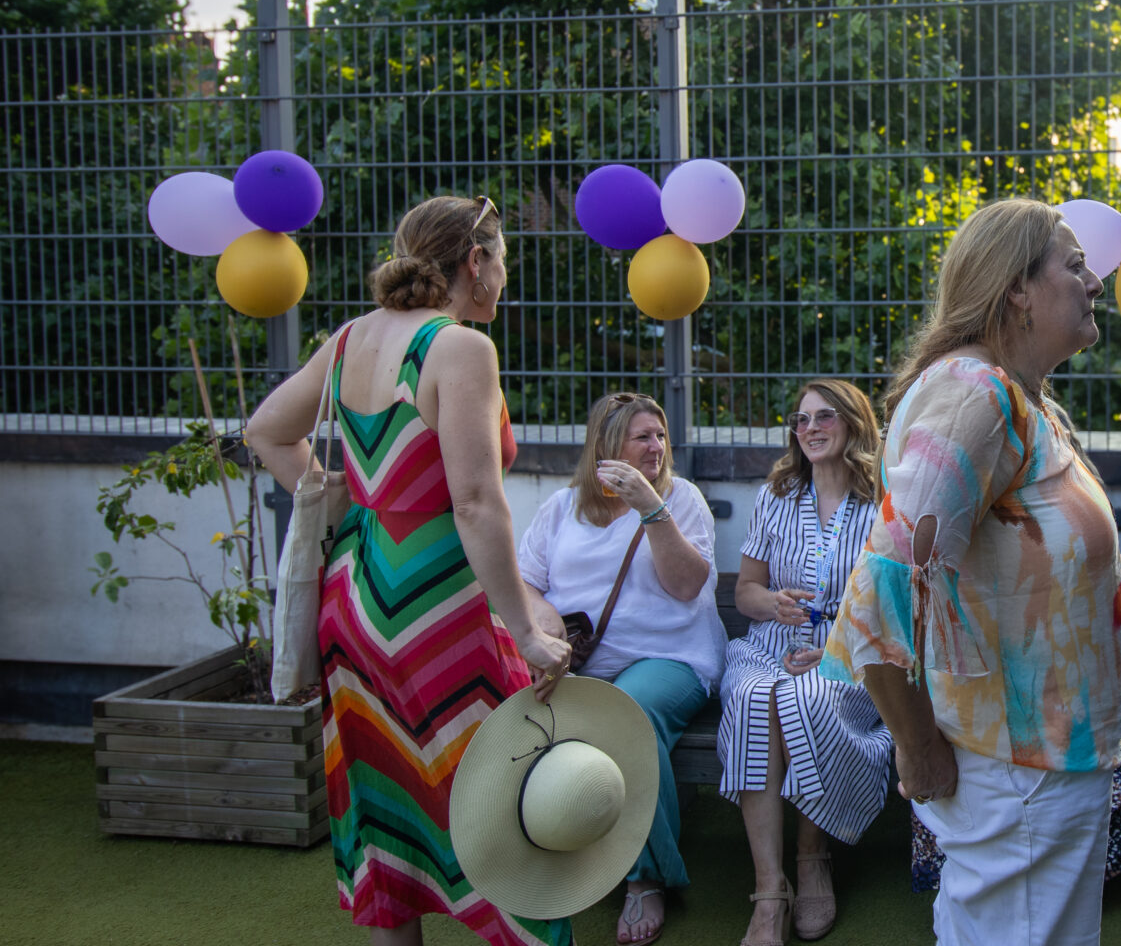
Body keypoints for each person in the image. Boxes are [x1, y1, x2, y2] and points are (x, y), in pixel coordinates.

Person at [249, 195, 574, 946]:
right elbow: (474, 502)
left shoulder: (350, 339)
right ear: (475, 261)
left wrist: (347, 499)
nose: (505, 278)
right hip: (437, 602)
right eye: (502, 261)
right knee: (507, 793)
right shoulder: (459, 349)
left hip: (354, 592)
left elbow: (266, 430)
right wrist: (526, 631)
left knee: (385, 807)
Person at [820, 198, 1121, 946]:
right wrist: (916, 745)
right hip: (1016, 775)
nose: (1096, 282)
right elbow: (882, 589)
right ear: (1016, 288)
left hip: (1036, 761)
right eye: (1075, 266)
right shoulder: (975, 395)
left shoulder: (1014, 398)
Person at [516, 391, 726, 946]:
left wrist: (650, 508)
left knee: (626, 712)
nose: (657, 446)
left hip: (670, 658)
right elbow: (525, 582)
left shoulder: (681, 499)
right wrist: (545, 621)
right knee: (529, 711)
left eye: (661, 435)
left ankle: (645, 877)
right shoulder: (560, 508)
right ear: (606, 447)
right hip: (582, 663)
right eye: (642, 437)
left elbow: (687, 587)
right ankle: (538, 848)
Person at [719, 379, 892, 946]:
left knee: (805, 697)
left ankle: (812, 856)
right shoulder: (776, 495)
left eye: (824, 416)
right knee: (753, 697)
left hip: (852, 653)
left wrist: (839, 645)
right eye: (801, 419)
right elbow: (746, 591)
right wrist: (773, 603)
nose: (810, 428)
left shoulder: (884, 500)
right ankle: (769, 890)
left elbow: (899, 602)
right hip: (770, 644)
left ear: (853, 423)